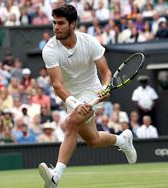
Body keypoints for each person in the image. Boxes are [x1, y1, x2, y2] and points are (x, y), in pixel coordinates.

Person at [38, 4, 137, 188]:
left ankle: (55, 177)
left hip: (92, 90)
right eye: (54, 23)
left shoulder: (90, 41)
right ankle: (122, 140)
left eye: (60, 23)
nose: (55, 27)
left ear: (73, 24)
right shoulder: (49, 50)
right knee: (93, 140)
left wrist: (106, 88)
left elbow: (106, 72)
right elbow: (58, 85)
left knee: (70, 123)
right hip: (71, 96)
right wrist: (74, 104)